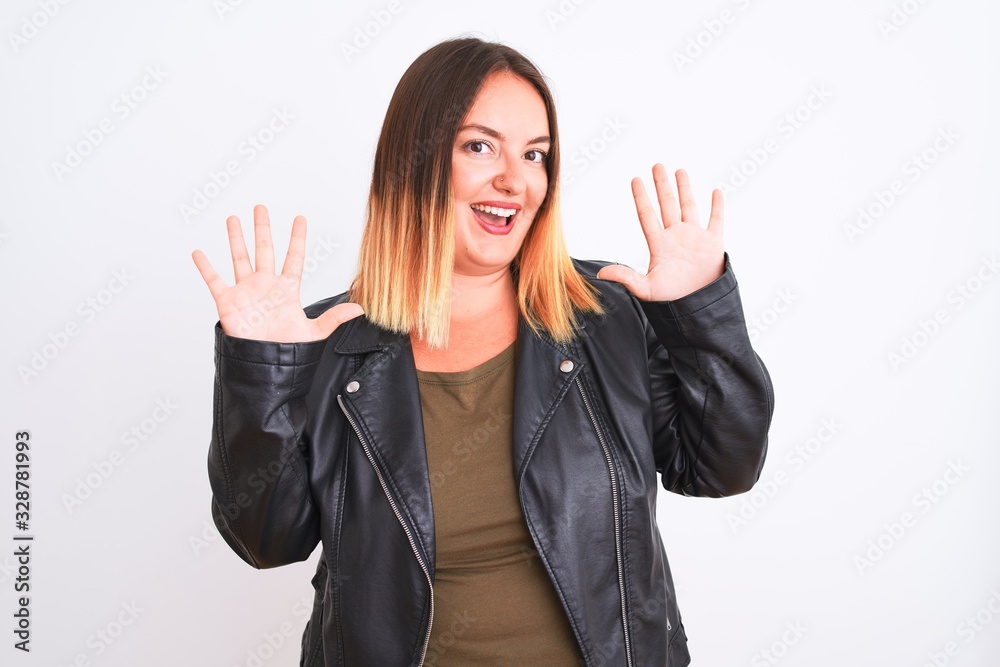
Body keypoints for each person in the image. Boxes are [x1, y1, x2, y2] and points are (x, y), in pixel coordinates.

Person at [192, 37, 774, 667]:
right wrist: (264, 371)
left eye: (535, 154)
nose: (514, 179)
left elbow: (722, 468)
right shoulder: (327, 344)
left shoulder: (607, 318)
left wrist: (698, 317)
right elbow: (266, 539)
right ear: (413, 160)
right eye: (480, 146)